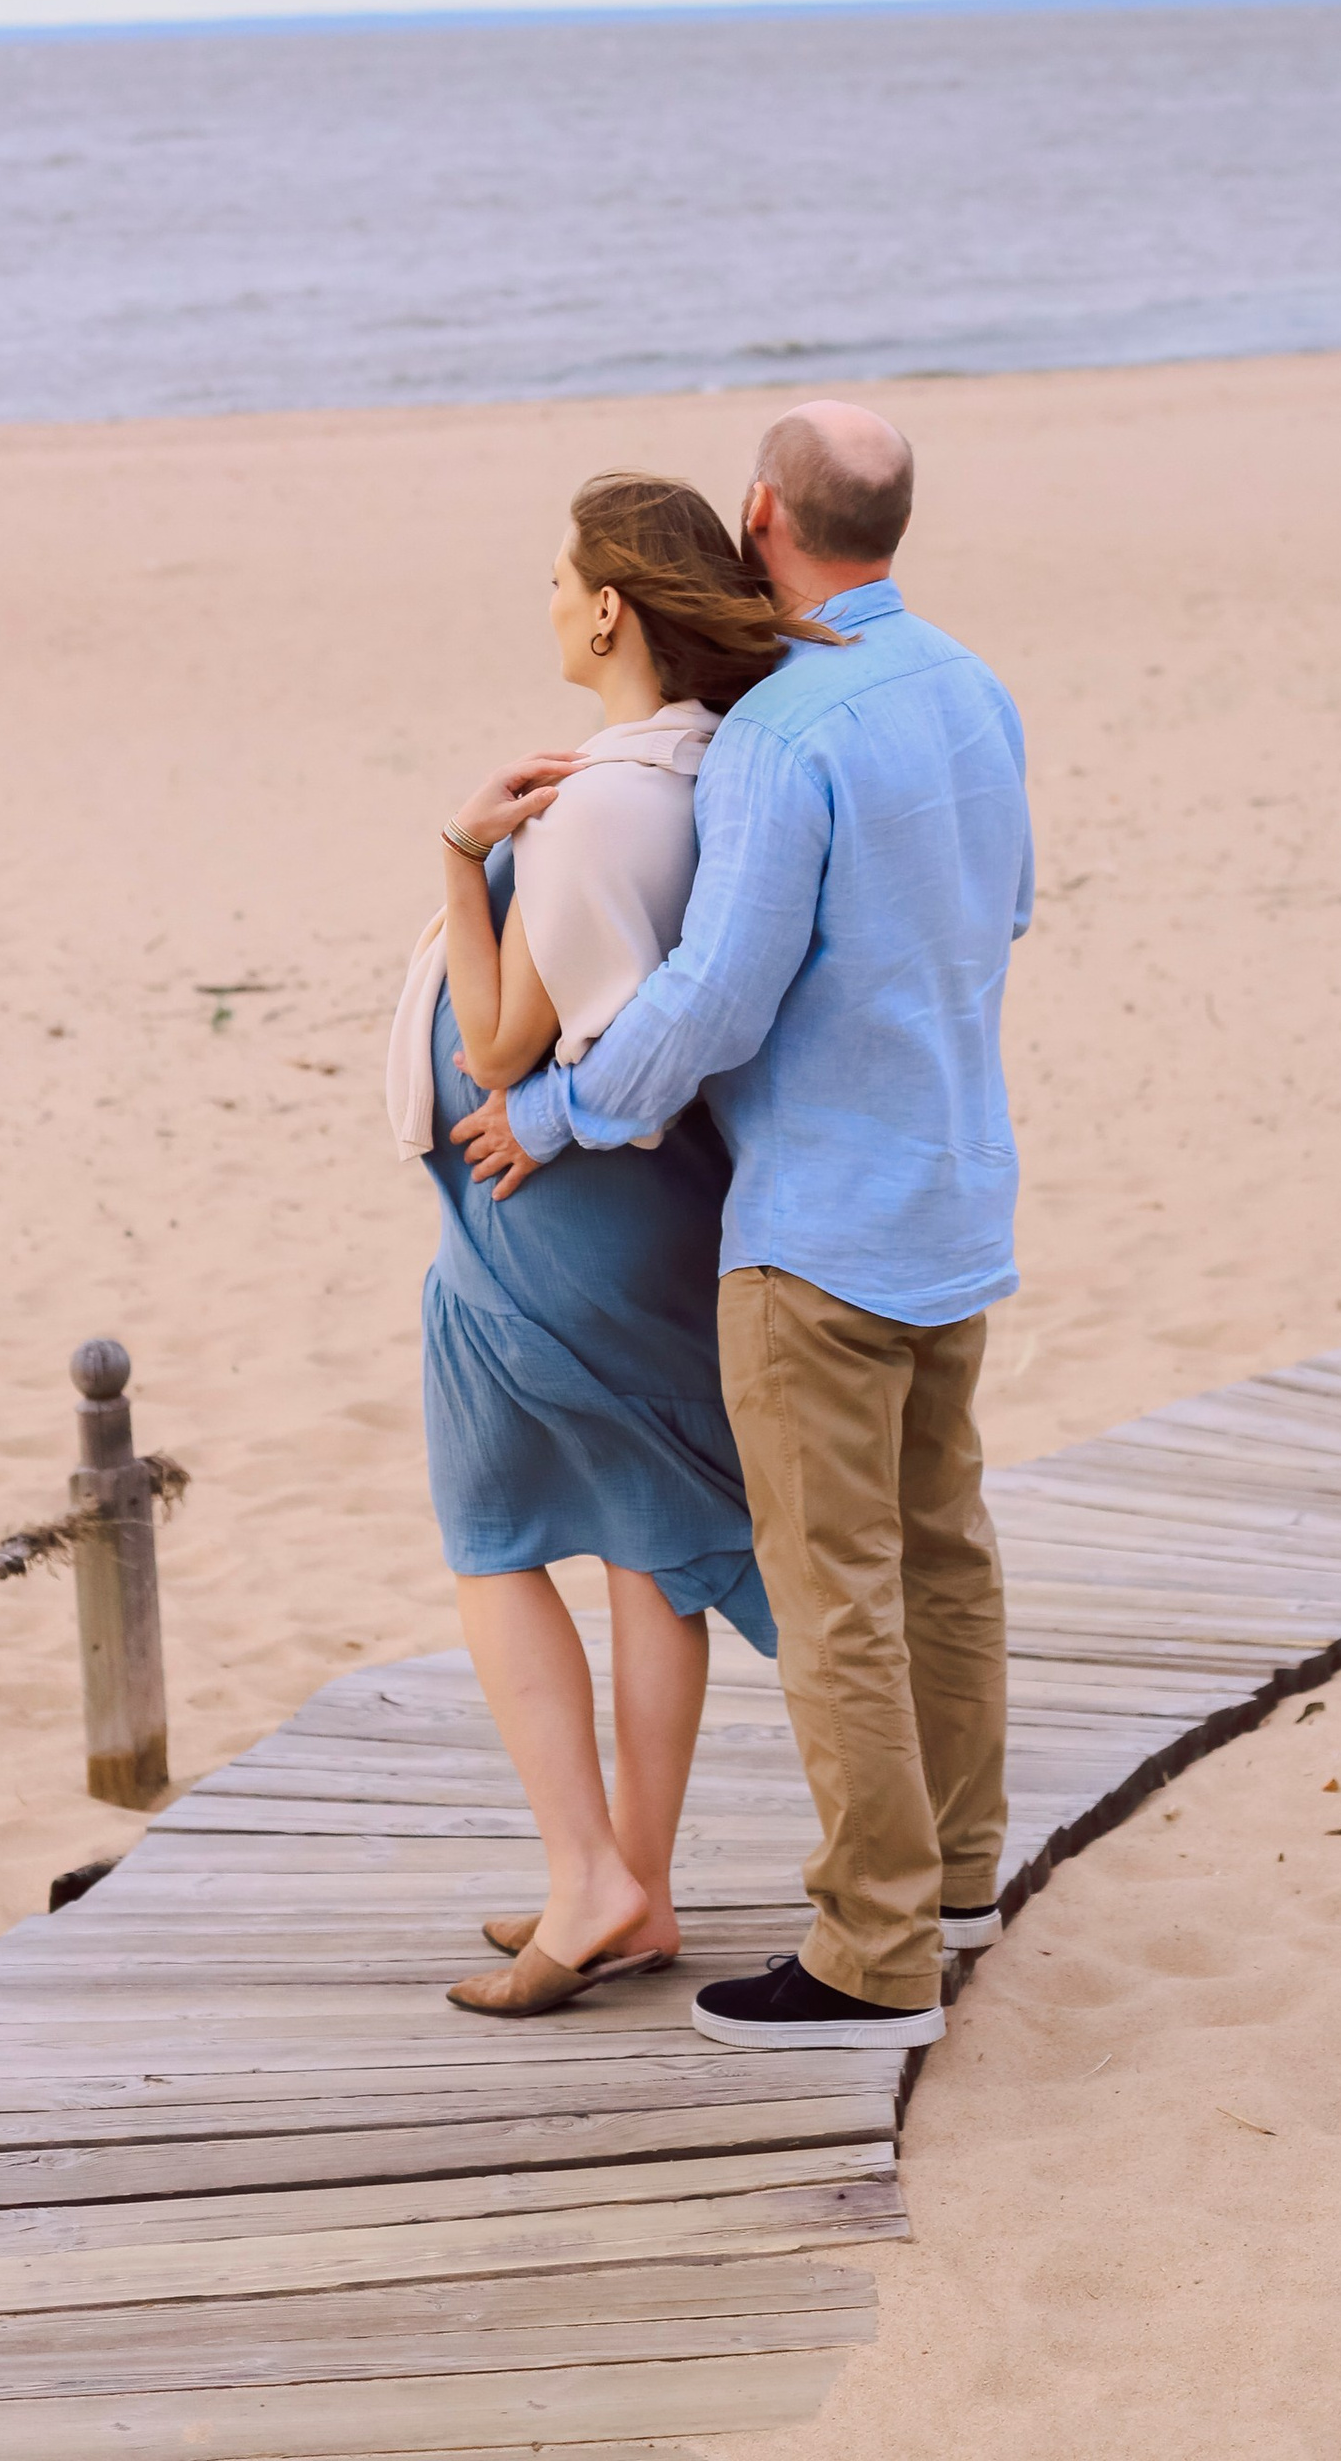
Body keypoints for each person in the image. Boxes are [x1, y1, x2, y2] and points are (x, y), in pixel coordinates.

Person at [454, 401, 1032, 2054]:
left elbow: (712, 994)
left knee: (837, 1580)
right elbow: (1004, 907)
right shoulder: (968, 687)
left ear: (763, 510)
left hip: (821, 1228)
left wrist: (555, 1113)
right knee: (943, 1556)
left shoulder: (791, 736)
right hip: (956, 1186)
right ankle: (963, 1881)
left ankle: (872, 1956)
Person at [385, 468, 828, 2021]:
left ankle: (593, 1877)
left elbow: (509, 1048)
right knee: (647, 1543)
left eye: (559, 574)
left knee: (492, 1537)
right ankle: (635, 1883)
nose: (548, 600)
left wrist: (458, 855)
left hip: (539, 1226)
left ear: (609, 606)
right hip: (642, 1218)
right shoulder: (700, 771)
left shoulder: (595, 811)